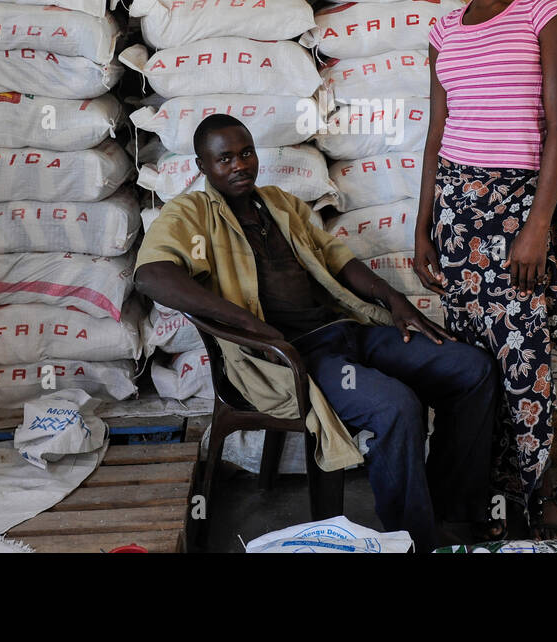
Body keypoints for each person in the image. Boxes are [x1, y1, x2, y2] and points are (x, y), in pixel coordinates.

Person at [134, 114, 501, 552]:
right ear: (203, 165)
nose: (238, 166)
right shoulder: (192, 214)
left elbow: (335, 258)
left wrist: (392, 299)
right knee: (395, 405)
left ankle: (451, 504)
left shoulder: (279, 204)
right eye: (224, 158)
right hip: (293, 357)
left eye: (245, 153)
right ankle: (417, 538)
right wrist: (250, 324)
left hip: (347, 330)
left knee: (471, 368)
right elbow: (152, 275)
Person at [413, 0, 557, 540]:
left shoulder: (547, 16)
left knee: (526, 361)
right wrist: (422, 226)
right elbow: (436, 134)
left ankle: (541, 497)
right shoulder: (443, 32)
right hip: (457, 217)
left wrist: (538, 226)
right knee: (473, 359)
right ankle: (479, 491)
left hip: (519, 213)